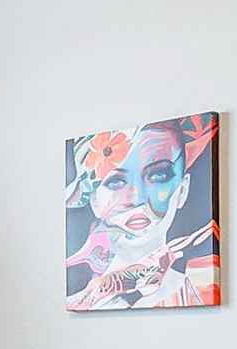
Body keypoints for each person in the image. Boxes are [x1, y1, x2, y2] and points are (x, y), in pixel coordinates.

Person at [65, 115, 218, 309]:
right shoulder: (79, 301)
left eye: (158, 175)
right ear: (94, 201)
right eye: (115, 182)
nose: (136, 198)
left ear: (183, 190)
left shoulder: (199, 285)